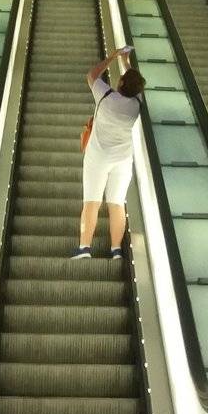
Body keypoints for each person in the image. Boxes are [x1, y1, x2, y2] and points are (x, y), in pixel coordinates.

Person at [73, 47, 145, 261]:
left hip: (97, 158)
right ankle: (116, 251)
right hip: (123, 160)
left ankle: (85, 248)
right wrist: (126, 63)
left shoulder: (105, 96)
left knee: (91, 202)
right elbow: (134, 84)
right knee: (116, 203)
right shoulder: (137, 103)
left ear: (120, 83)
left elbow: (92, 75)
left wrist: (113, 57)